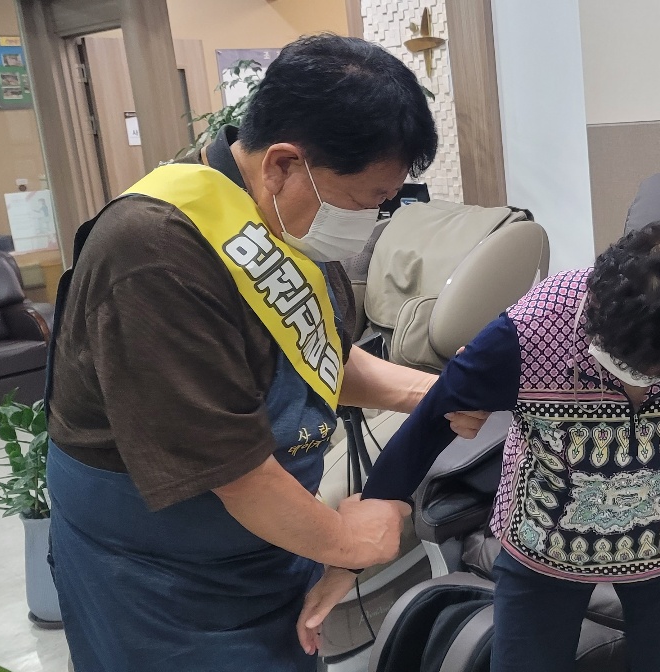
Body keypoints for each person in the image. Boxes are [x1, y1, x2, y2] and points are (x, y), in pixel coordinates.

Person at [44, 35, 486, 671]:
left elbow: (317, 357)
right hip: (158, 572)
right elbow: (233, 469)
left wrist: (431, 392)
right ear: (282, 164)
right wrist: (349, 540)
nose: (371, 219)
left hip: (268, 537)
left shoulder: (283, 224)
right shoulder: (154, 253)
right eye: (365, 200)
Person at [299, 221, 660, 672]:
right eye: (634, 367)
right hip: (546, 542)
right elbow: (425, 429)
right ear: (595, 308)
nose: (645, 384)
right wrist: (350, 561)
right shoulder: (528, 332)